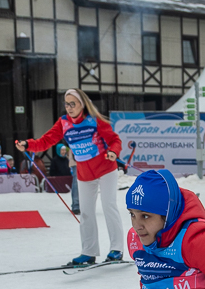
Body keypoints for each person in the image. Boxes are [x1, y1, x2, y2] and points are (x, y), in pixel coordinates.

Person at [18, 88, 125, 265]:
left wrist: (113, 151)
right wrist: (28, 144)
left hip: (106, 169)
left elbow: (115, 140)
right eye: (66, 104)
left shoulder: (94, 120)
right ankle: (89, 252)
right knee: (86, 213)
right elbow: (46, 141)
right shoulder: (63, 123)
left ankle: (117, 249)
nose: (69, 107)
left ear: (81, 104)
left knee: (109, 206)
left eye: (72, 104)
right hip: (84, 174)